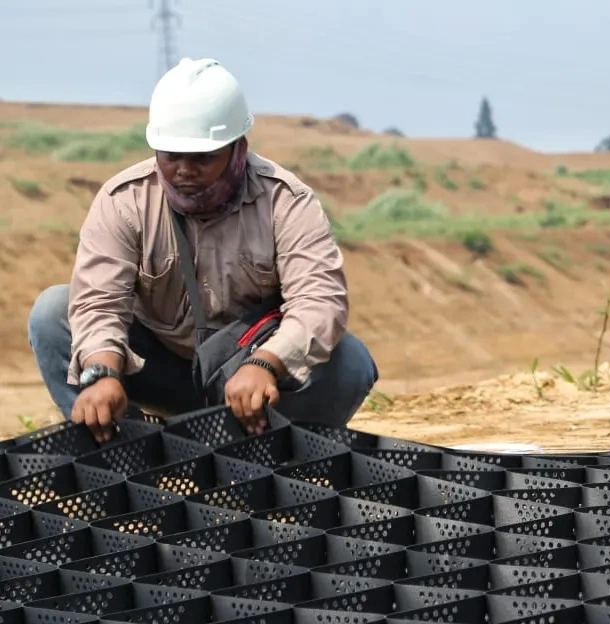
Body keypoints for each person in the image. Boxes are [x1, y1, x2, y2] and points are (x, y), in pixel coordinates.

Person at [27, 57, 379, 441]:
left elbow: (320, 301)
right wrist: (103, 372)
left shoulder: (285, 202)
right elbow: (98, 302)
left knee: (350, 362)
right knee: (52, 312)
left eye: (202, 158)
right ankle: (121, 455)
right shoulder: (124, 201)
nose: (183, 170)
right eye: (170, 155)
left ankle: (270, 456)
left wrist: (267, 362)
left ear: (237, 149)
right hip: (161, 369)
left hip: (253, 383)